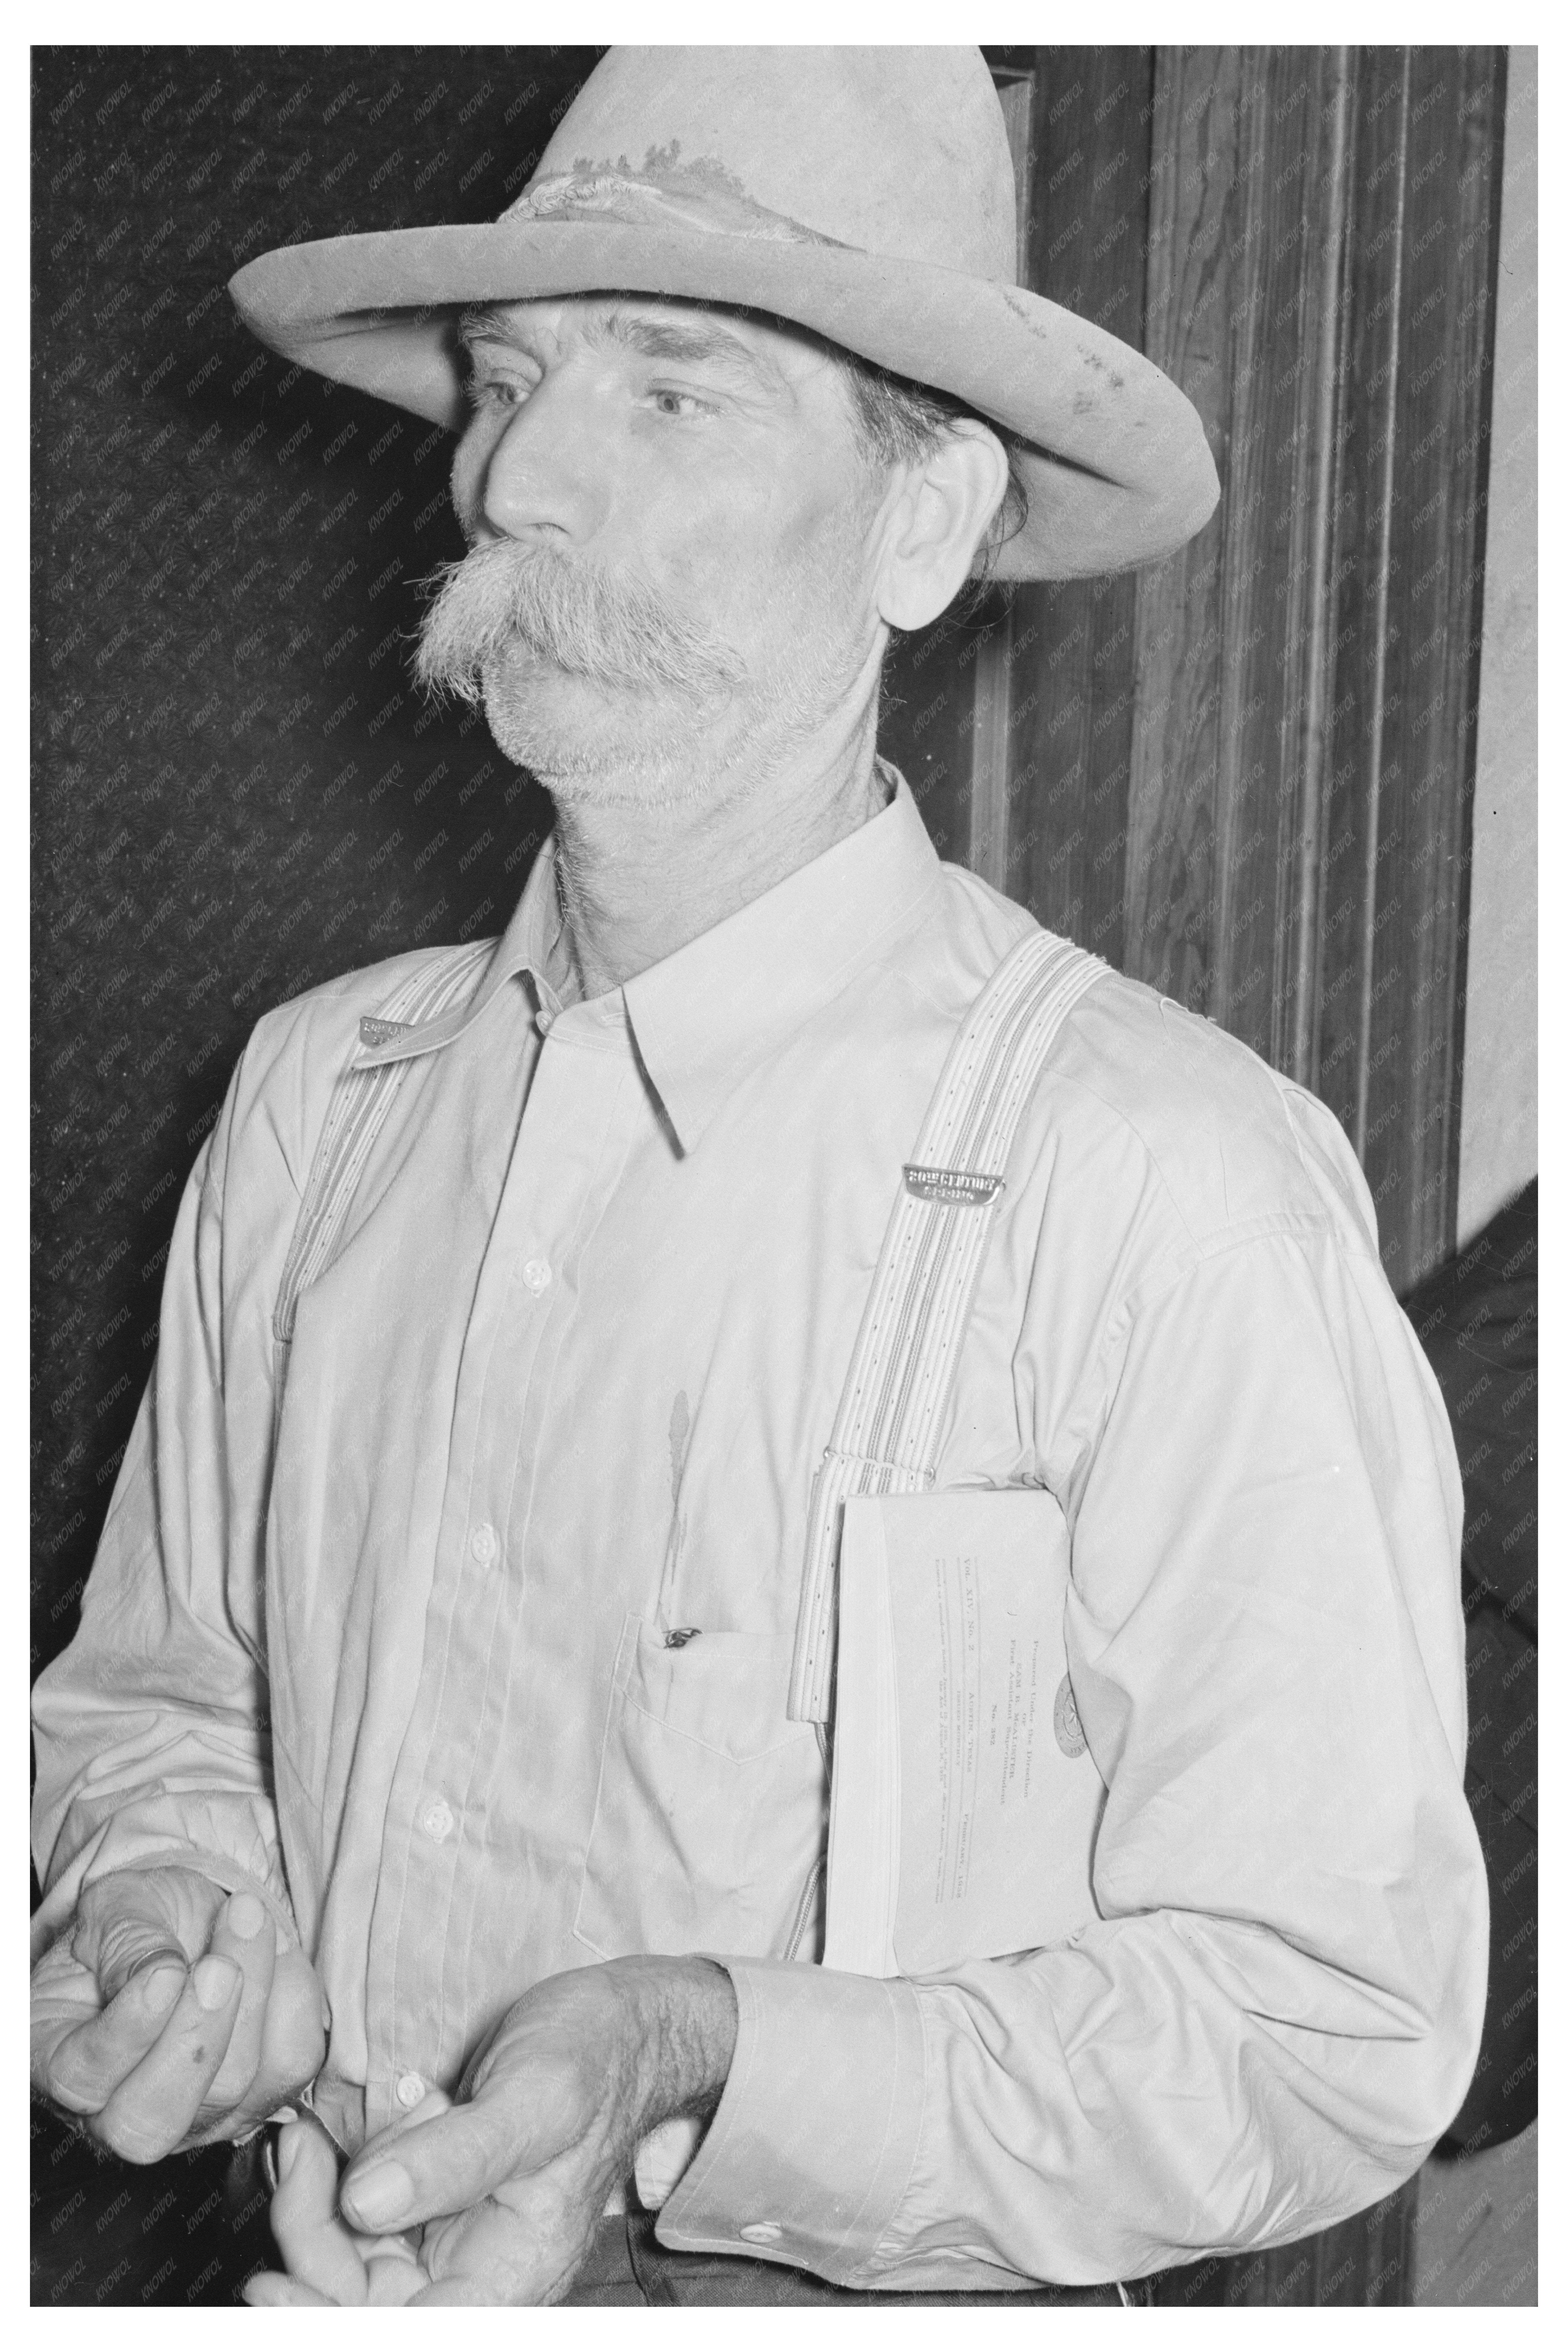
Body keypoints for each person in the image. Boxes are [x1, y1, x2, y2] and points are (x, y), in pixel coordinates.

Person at [30, 47, 1488, 2308]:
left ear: (919, 526)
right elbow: (163, 1702)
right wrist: (167, 1913)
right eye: (505, 384)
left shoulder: (1167, 1186)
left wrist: (704, 2058)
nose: (513, 474)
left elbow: (1327, 2028)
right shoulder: (316, 1105)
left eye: (673, 392)